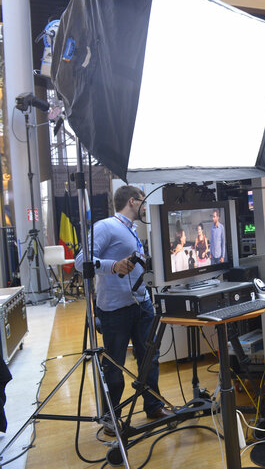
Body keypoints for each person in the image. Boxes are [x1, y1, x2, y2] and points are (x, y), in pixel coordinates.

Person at [75, 186, 171, 435]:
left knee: (149, 358)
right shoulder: (106, 226)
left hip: (142, 305)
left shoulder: (132, 229)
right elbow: (80, 261)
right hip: (115, 311)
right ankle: (111, 418)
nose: (145, 206)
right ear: (132, 200)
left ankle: (154, 405)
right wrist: (113, 265)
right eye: (143, 201)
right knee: (114, 367)